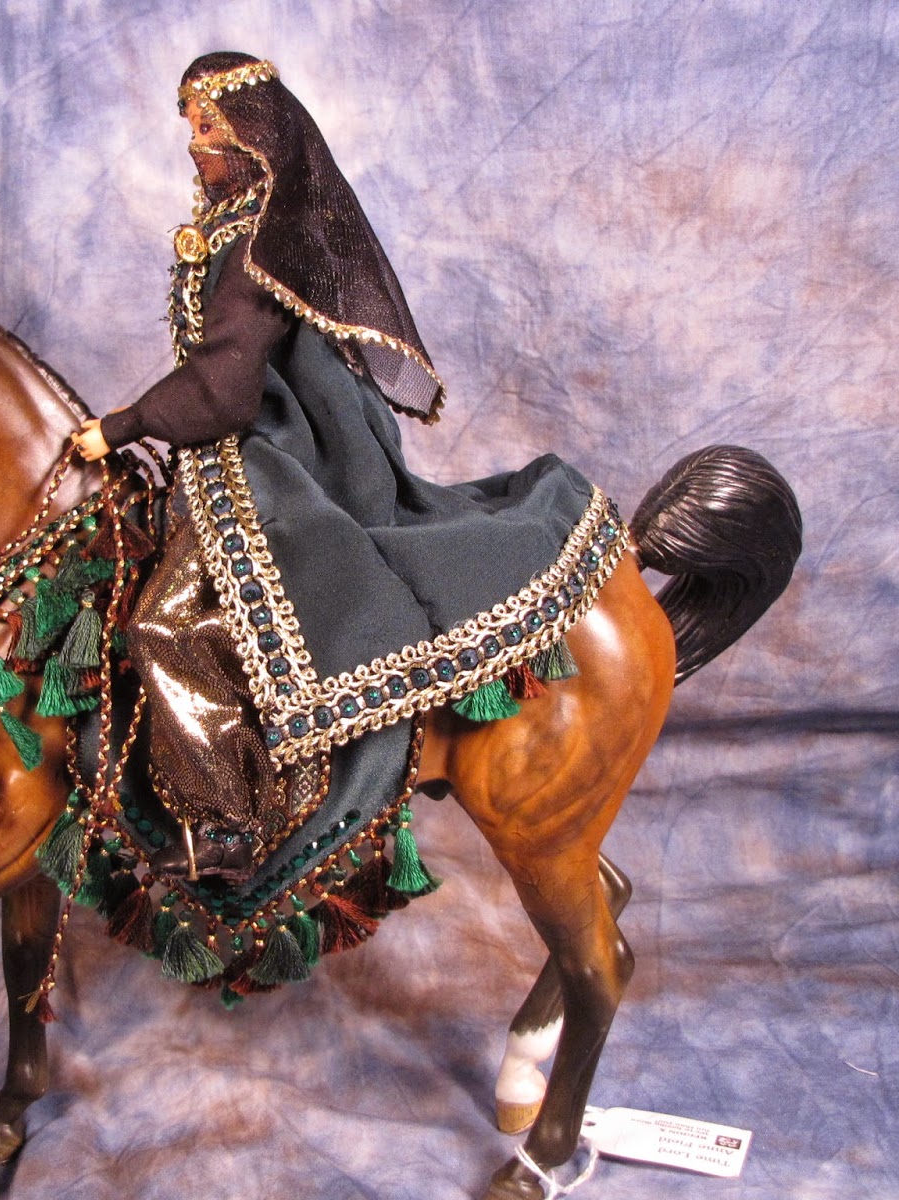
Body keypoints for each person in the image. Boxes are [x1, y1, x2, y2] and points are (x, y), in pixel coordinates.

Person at [74, 53, 602, 880]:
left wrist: (123, 426)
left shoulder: (258, 240)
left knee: (164, 624)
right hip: (255, 440)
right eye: (192, 127)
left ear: (253, 136)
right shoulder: (242, 227)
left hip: (277, 454)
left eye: (209, 127)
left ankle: (227, 823)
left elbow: (223, 386)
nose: (195, 145)